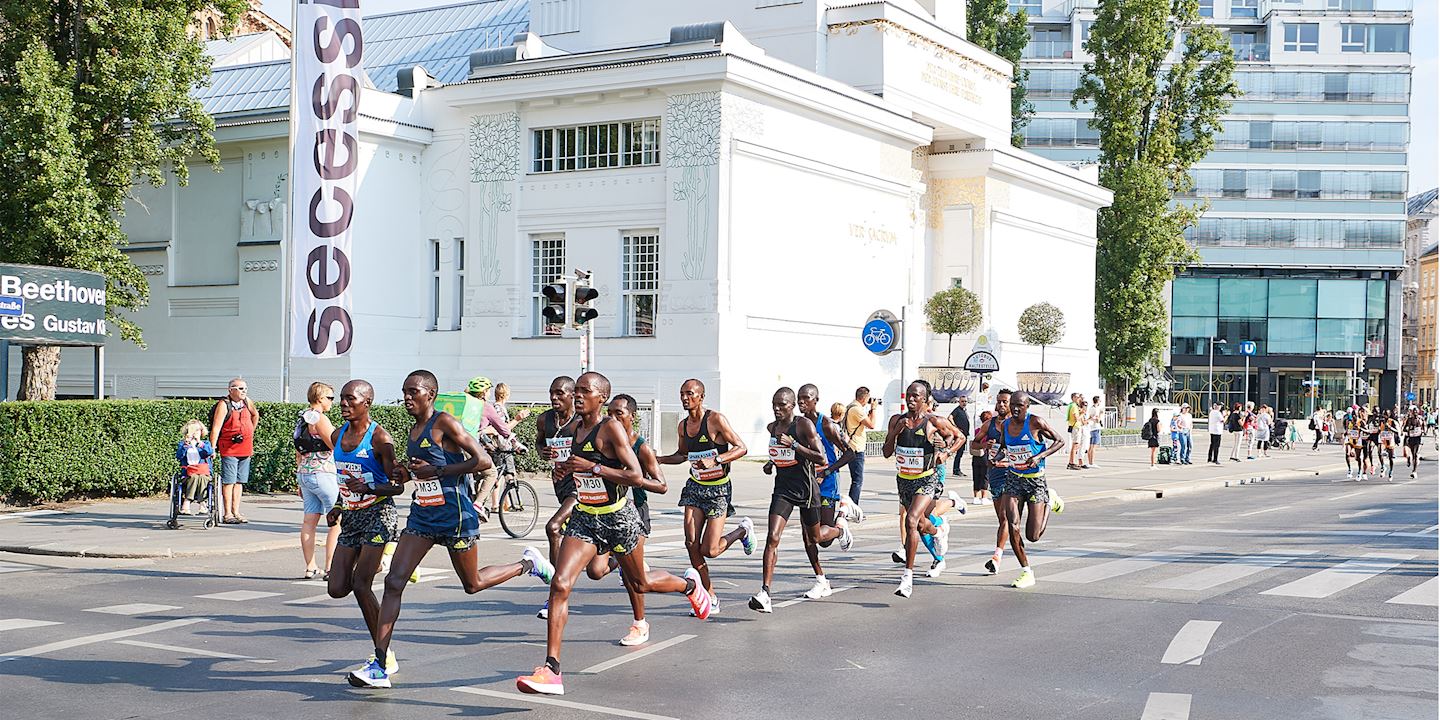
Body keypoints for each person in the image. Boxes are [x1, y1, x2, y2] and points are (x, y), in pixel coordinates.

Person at [352, 370, 554, 690]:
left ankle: (528, 564)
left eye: (413, 392)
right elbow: (415, 474)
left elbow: (484, 461)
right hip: (422, 517)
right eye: (404, 391)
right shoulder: (413, 429)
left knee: (472, 584)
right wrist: (385, 480)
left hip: (456, 516)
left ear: (430, 394)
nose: (407, 397)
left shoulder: (444, 423)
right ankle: (381, 663)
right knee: (393, 581)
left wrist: (440, 469)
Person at [515, 372, 712, 696]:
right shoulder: (575, 428)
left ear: (601, 397)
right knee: (561, 584)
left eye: (585, 391)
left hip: (618, 518)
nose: (577, 396)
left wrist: (593, 468)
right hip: (585, 519)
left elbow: (635, 475)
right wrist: (567, 468)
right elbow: (574, 464)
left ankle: (691, 586)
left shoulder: (610, 429)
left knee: (641, 583)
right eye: (575, 391)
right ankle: (551, 669)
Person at [326, 379, 406, 678]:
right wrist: (337, 504)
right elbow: (342, 475)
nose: (344, 404)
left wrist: (370, 485)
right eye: (342, 399)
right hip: (351, 517)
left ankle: (383, 657)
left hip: (378, 515)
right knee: (336, 588)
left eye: (350, 399)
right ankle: (398, 564)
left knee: (362, 585)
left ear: (367, 402)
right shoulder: (337, 435)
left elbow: (397, 485)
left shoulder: (379, 439)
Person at [658, 378, 754, 612]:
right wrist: (658, 459)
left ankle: (742, 531)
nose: (684, 398)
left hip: (719, 488)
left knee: (709, 550)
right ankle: (709, 596)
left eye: (690, 394)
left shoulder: (715, 420)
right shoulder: (682, 426)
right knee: (691, 543)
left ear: (701, 396)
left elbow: (742, 447)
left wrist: (717, 459)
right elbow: (682, 455)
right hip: (695, 487)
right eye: (682, 394)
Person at [582, 393, 668, 647]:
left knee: (637, 581)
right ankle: (622, 563)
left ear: (632, 416)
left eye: (619, 413)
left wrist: (633, 479)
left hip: (633, 512)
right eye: (611, 412)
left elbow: (662, 486)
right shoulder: (604, 437)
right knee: (596, 571)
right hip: (604, 513)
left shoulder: (641, 448)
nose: (614, 417)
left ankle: (640, 624)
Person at [749, 387, 832, 613]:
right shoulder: (772, 428)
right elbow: (778, 454)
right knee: (772, 537)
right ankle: (765, 592)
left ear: (792, 405)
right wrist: (770, 463)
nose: (777, 409)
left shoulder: (803, 425)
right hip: (783, 490)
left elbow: (821, 457)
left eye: (782, 405)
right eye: (774, 404)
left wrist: (794, 444)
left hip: (806, 490)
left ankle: (841, 526)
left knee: (815, 538)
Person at [881, 380, 959, 598]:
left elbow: (959, 437)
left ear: (925, 400)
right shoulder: (897, 420)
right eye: (909, 395)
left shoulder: (933, 421)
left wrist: (946, 453)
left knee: (911, 520)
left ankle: (907, 577)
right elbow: (887, 452)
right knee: (922, 523)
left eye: (916, 396)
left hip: (927, 479)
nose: (912, 399)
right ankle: (939, 530)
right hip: (904, 479)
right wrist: (895, 432)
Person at [992, 392, 1066, 589]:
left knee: (1033, 536)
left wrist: (1040, 456)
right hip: (1014, 479)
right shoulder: (1006, 424)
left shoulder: (1035, 422)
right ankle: (1026, 571)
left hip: (1035, 481)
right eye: (1013, 405)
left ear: (1027, 406)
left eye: (1020, 406)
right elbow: (1004, 447)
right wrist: (996, 456)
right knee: (1012, 525)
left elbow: (1060, 441)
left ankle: (1049, 500)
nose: (1015, 409)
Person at [534, 376, 580, 619]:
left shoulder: (581, 422)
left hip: (582, 486)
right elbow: (539, 444)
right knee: (594, 562)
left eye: (560, 393)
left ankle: (555, 591)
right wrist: (545, 452)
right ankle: (615, 557)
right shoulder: (546, 419)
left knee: (554, 527)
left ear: (573, 395)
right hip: (560, 485)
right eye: (552, 393)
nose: (554, 398)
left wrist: (571, 464)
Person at [296, 382, 340, 580]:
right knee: (337, 521)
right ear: (320, 398)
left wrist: (298, 478)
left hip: (304, 473)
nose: (333, 401)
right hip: (324, 474)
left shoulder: (302, 418)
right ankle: (331, 568)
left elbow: (298, 450)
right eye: (330, 397)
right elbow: (334, 444)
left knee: (309, 521)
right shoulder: (321, 418)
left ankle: (310, 566)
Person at [970, 388, 1014, 574]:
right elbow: (973, 444)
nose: (1001, 405)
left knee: (1006, 517)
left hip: (1014, 474)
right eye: (999, 401)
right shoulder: (989, 425)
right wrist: (984, 445)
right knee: (1003, 519)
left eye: (1005, 401)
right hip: (995, 473)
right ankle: (1005, 548)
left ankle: (997, 556)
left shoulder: (1017, 425)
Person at [210, 378, 259, 524]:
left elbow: (255, 414)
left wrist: (250, 432)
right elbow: (216, 427)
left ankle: (236, 512)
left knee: (239, 481)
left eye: (245, 388)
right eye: (240, 388)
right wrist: (212, 448)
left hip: (245, 448)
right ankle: (228, 514)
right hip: (229, 448)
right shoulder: (224, 405)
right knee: (229, 481)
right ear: (231, 390)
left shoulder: (247, 402)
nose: (244, 391)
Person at [842, 387, 880, 505]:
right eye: (868, 398)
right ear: (864, 398)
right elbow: (872, 425)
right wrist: (873, 409)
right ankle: (853, 508)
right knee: (857, 481)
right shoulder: (857, 410)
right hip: (856, 448)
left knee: (855, 480)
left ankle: (851, 507)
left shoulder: (850, 406)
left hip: (851, 446)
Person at [175, 420, 214, 516]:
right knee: (194, 477)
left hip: (204, 473)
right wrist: (186, 445)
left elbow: (209, 452)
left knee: (201, 477)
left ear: (201, 431)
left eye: (198, 430)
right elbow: (179, 456)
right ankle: (196, 502)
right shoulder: (183, 444)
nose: (195, 432)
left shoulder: (205, 443)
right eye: (192, 430)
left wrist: (199, 442)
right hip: (188, 474)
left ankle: (192, 502)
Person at [949, 395, 971, 478]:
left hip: (964, 435)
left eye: (965, 401)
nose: (964, 403)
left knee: (960, 453)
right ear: (959, 402)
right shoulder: (957, 410)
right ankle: (956, 470)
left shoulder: (964, 411)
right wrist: (955, 428)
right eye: (962, 401)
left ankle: (957, 469)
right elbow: (950, 417)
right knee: (959, 453)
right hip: (960, 435)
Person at [1404, 406, 1425, 478]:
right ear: (1412, 413)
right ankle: (1411, 462)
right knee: (1413, 454)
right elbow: (1404, 428)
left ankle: (1414, 471)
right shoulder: (1409, 420)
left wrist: (1422, 431)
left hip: (1418, 438)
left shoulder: (1420, 419)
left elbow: (1424, 428)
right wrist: (1407, 429)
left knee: (1415, 454)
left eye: (1416, 412)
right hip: (1411, 438)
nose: (1415, 413)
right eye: (1414, 412)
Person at [1065, 392, 1083, 469]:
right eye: (1077, 397)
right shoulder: (1074, 406)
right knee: (1075, 445)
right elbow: (1076, 418)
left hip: (1073, 426)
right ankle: (1071, 462)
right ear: (1073, 398)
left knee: (1075, 444)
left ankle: (1072, 462)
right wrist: (1082, 414)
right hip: (1075, 426)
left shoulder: (1071, 405)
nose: (1078, 399)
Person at [1085, 396, 1104, 468]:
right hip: (1096, 428)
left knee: (1090, 447)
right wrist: (1100, 414)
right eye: (1100, 401)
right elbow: (1097, 420)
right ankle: (1092, 462)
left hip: (1091, 428)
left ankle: (1090, 462)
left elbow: (1090, 417)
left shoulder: (1091, 408)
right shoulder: (1096, 409)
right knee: (1093, 447)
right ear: (1098, 401)